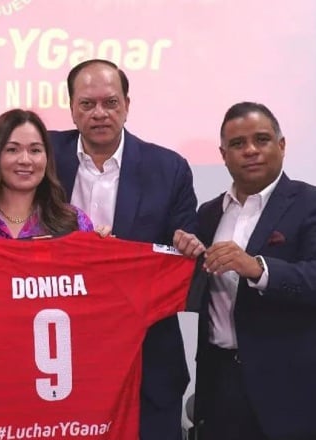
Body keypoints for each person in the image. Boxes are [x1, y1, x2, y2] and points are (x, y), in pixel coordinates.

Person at [49, 59, 198, 440]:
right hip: (60, 355)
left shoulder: (169, 168)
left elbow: (181, 250)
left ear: (127, 105)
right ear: (71, 107)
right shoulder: (41, 154)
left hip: (145, 355)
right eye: (87, 104)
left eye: (110, 102)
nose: (99, 113)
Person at [173, 102, 316, 440]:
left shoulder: (314, 203)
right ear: (223, 155)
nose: (251, 151)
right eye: (238, 144)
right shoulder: (209, 213)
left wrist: (257, 268)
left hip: (291, 388)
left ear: (281, 146)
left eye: (262, 139)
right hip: (219, 383)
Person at [0, 108, 96, 438]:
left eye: (35, 150)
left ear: (47, 159)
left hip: (54, 384)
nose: (25, 159)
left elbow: (90, 310)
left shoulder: (74, 224)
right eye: (12, 149)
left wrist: (102, 258)